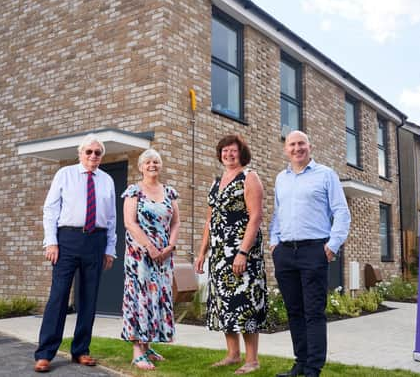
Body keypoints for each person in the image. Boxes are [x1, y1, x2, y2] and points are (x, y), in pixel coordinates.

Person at [270, 130, 351, 377]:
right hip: (285, 252)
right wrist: (274, 242)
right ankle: (300, 363)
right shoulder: (280, 179)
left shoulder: (326, 175)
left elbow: (341, 212)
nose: (297, 148)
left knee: (313, 312)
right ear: (286, 149)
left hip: (314, 250)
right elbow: (277, 214)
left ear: (310, 146)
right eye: (292, 144)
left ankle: (313, 368)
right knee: (294, 311)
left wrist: (332, 244)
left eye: (301, 143)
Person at [34, 134, 116, 373]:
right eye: (88, 152)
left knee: (89, 299)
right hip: (67, 240)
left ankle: (81, 350)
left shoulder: (107, 180)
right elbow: (50, 210)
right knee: (58, 297)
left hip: (96, 241)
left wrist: (109, 248)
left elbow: (111, 219)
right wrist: (51, 242)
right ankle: (45, 353)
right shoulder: (65, 174)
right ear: (80, 154)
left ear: (101, 156)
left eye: (97, 153)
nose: (93, 156)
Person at [195, 134, 267, 375]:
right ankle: (233, 354)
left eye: (233, 151)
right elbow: (209, 220)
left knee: (244, 302)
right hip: (218, 255)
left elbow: (255, 216)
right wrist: (202, 251)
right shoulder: (216, 183)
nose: (228, 154)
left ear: (241, 153)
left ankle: (252, 359)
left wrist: (243, 252)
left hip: (241, 253)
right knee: (224, 303)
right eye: (224, 151)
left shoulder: (249, 177)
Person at [121, 149, 180, 370]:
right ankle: (137, 352)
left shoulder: (169, 192)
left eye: (156, 161)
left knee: (157, 298)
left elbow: (176, 223)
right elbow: (130, 223)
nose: (152, 165)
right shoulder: (133, 191)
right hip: (140, 256)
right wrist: (150, 247)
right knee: (140, 298)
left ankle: (148, 346)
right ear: (140, 166)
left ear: (161, 165)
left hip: (164, 256)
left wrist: (170, 246)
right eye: (148, 162)